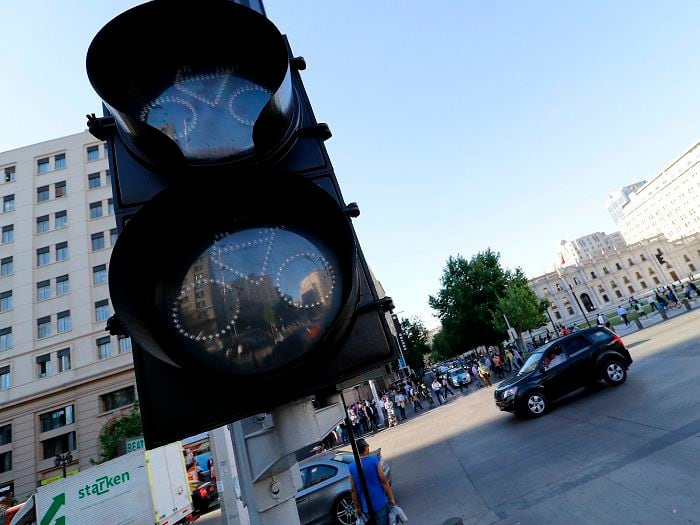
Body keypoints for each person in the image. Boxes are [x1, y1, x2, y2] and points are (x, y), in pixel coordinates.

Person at [348, 438, 397, 525]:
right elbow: (383, 480)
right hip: (380, 503)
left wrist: (357, 507)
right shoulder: (374, 460)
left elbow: (353, 489)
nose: (368, 447)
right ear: (365, 447)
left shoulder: (352, 467)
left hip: (366, 507)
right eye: (367, 445)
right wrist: (391, 497)